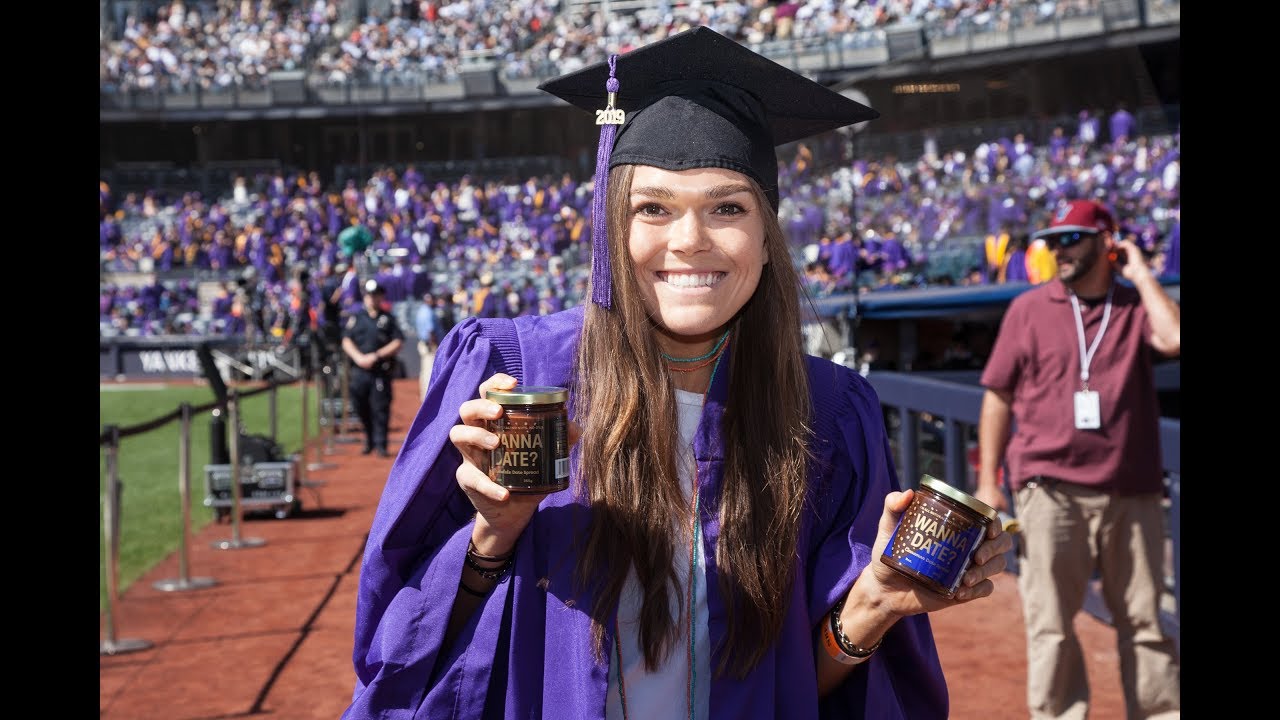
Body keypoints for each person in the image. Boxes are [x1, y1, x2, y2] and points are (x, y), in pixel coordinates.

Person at [342, 27, 1011, 720]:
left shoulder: (828, 413)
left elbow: (797, 696)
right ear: (612, 225)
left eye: (728, 207)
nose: (689, 240)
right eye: (653, 208)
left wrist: (869, 609)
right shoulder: (510, 372)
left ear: (765, 234)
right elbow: (400, 660)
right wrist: (493, 535)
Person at [974, 199, 1181, 719]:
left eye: (1072, 238)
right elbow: (997, 396)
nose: (1057, 250)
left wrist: (1141, 271)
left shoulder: (1134, 303)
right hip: (1049, 489)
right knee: (1052, 626)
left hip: (1129, 489)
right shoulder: (1028, 308)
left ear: (1107, 242)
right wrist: (987, 482)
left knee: (1145, 624)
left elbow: (1174, 338)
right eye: (1052, 241)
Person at [341, 279, 405, 457]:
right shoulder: (357, 318)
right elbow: (346, 340)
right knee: (360, 406)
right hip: (359, 370)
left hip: (379, 371)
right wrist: (358, 357)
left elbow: (397, 341)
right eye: (369, 295)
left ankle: (381, 444)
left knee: (380, 408)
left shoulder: (387, 319)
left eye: (375, 295)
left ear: (381, 297)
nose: (372, 299)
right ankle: (368, 439)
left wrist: (376, 356)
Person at [413, 290, 438, 402]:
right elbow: (430, 331)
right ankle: (428, 398)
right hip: (429, 345)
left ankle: (425, 396)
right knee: (429, 372)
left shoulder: (421, 310)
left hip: (423, 343)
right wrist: (434, 345)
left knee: (425, 371)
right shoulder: (428, 311)